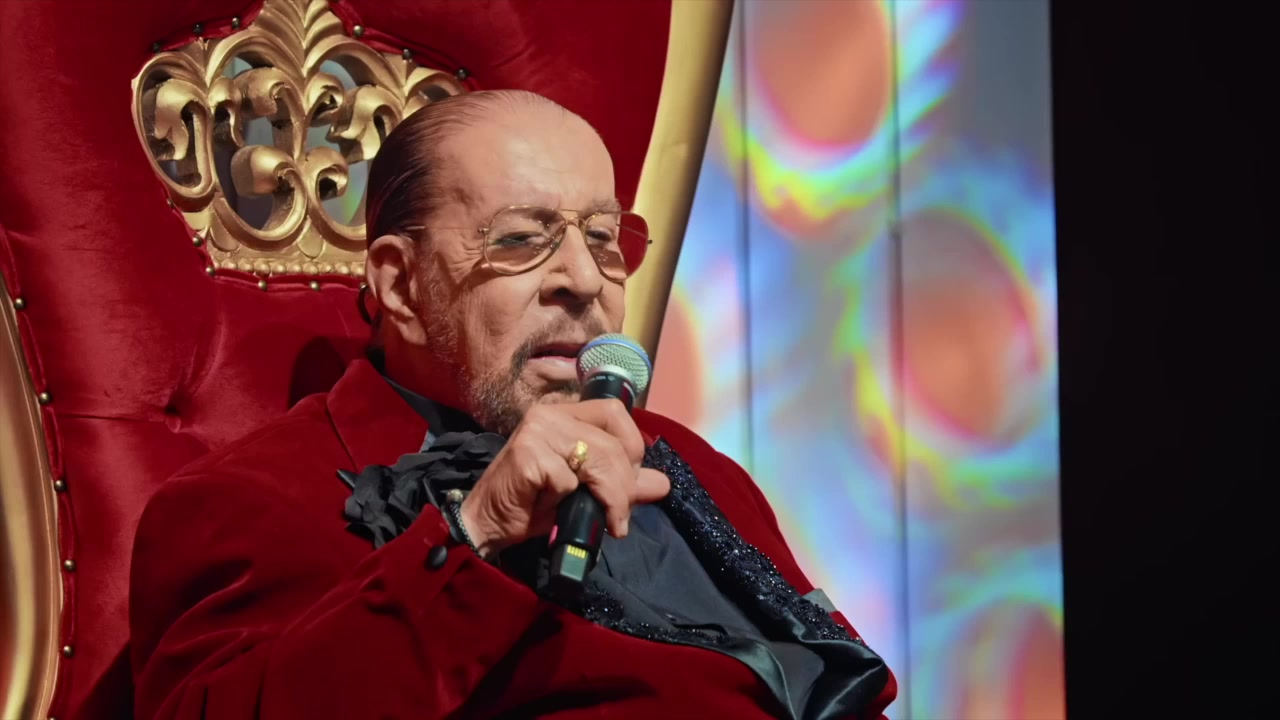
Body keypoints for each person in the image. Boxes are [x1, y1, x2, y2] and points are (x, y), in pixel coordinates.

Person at [129, 90, 896, 720]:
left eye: (604, 238)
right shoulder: (247, 501)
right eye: (523, 239)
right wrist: (477, 530)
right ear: (401, 285)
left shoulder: (684, 460)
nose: (585, 280)